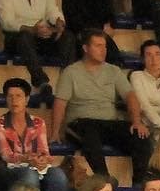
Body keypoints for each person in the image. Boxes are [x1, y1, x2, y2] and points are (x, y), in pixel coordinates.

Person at [51, 29, 148, 178]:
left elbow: (130, 96)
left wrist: (136, 121)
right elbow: (60, 103)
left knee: (140, 136)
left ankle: (140, 183)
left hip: (108, 123)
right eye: (98, 46)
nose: (103, 50)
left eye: (105, 46)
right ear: (85, 48)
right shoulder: (71, 72)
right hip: (81, 123)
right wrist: (55, 132)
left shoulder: (114, 71)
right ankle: (104, 180)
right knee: (88, 131)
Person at [0, 0, 68, 97]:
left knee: (68, 36)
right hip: (17, 39)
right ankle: (40, 81)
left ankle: (68, 80)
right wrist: (31, 30)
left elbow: (53, 12)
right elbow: (7, 22)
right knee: (24, 36)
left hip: (41, 36)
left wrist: (59, 22)